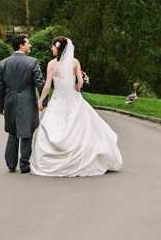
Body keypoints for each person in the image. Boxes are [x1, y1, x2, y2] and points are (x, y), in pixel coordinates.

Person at [30, 36, 122, 177]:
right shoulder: (75, 62)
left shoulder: (51, 64)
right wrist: (77, 89)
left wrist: (41, 100)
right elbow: (80, 81)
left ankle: (54, 162)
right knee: (80, 127)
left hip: (58, 98)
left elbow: (48, 85)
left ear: (58, 48)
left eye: (53, 46)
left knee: (53, 127)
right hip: (73, 98)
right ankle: (81, 159)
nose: (51, 48)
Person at [0, 34, 47, 174]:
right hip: (27, 102)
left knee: (13, 132)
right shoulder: (32, 62)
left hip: (10, 101)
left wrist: (0, 106)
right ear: (21, 45)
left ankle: (11, 164)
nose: (30, 45)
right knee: (26, 133)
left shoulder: (4, 63)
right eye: (28, 43)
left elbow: (0, 87)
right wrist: (43, 100)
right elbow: (40, 83)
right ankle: (24, 165)